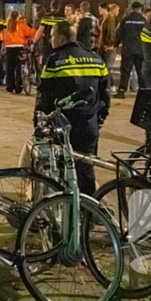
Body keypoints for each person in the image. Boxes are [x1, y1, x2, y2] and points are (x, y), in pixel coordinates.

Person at [35, 20, 110, 195]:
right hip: (89, 124)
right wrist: (101, 118)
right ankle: (89, 212)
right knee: (86, 168)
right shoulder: (95, 58)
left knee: (62, 169)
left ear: (61, 38)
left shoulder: (55, 61)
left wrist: (39, 122)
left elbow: (45, 95)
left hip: (64, 125)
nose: (51, 39)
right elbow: (105, 93)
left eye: (52, 36)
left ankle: (65, 207)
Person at [115, 2, 146, 98]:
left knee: (125, 71)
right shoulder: (144, 20)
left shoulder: (125, 20)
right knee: (141, 71)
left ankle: (121, 91)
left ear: (131, 8)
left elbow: (119, 33)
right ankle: (144, 91)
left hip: (128, 49)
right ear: (140, 9)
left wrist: (115, 45)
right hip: (141, 49)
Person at [3, 11, 35, 94]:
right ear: (17, 17)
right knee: (18, 67)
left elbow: (2, 36)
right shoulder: (21, 25)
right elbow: (31, 33)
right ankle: (18, 87)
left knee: (9, 68)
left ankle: (9, 87)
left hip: (9, 47)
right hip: (19, 47)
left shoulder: (7, 26)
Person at [33, 0, 64, 65]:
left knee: (47, 64)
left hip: (48, 44)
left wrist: (34, 42)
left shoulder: (46, 17)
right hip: (60, 44)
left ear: (51, 7)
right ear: (59, 7)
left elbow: (40, 31)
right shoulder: (63, 17)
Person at [98, 4, 119, 92]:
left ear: (105, 9)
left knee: (106, 68)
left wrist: (109, 45)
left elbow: (111, 34)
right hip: (103, 47)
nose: (99, 11)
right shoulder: (103, 20)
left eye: (100, 9)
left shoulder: (109, 20)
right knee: (105, 68)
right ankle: (111, 86)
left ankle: (108, 87)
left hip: (107, 48)